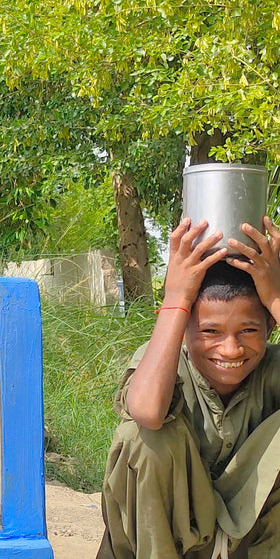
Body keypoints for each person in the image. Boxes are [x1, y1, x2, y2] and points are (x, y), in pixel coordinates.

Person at [100, 217, 280, 558]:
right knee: (142, 437)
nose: (231, 350)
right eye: (211, 332)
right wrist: (177, 297)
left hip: (249, 544)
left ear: (270, 328)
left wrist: (274, 297)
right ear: (183, 329)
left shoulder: (272, 368)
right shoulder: (164, 364)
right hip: (167, 544)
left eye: (248, 331)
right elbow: (148, 412)